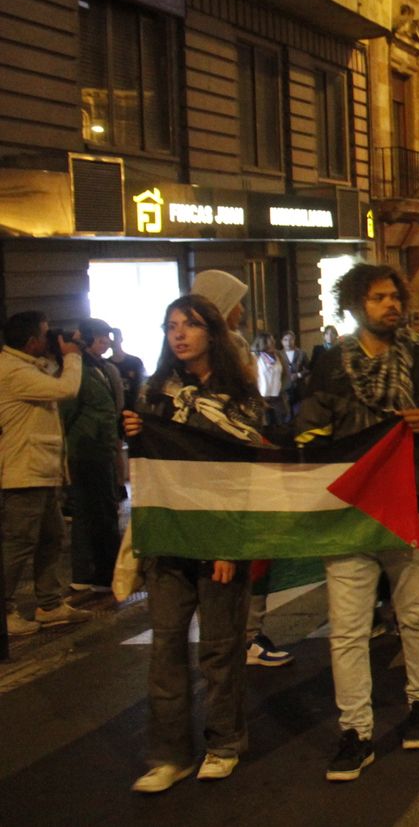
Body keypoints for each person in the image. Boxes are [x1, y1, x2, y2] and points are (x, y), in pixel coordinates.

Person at [292, 263, 419, 782]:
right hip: (350, 513)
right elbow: (308, 429)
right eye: (377, 298)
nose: (390, 305)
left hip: (413, 501)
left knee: (415, 614)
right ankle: (356, 732)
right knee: (347, 629)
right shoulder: (330, 364)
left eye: (394, 296)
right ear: (354, 306)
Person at [122, 295, 266, 792]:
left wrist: (228, 545)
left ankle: (224, 743)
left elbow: (244, 475)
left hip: (219, 539)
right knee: (165, 648)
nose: (179, 334)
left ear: (213, 333)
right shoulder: (154, 394)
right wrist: (136, 434)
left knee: (220, 650)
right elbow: (147, 470)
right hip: (168, 540)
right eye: (171, 326)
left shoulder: (240, 397)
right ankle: (169, 755)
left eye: (190, 325)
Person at [0, 312, 88, 636]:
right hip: (24, 471)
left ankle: (49, 604)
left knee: (52, 537)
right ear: (30, 341)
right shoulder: (13, 370)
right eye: (45, 333)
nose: (50, 338)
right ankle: (4, 611)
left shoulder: (29, 366)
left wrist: (58, 355)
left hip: (41, 470)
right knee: (18, 543)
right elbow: (66, 388)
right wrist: (73, 357)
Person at [63, 318, 121, 592]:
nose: (105, 341)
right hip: (85, 450)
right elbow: (67, 411)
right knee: (89, 512)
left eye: (107, 336)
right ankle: (89, 573)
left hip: (103, 448)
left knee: (105, 510)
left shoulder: (104, 368)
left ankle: (104, 571)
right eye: (99, 337)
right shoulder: (78, 371)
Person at [253, 334, 286, 425]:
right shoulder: (255, 357)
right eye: (270, 341)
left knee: (280, 424)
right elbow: (251, 377)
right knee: (264, 425)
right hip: (262, 398)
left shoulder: (278, 355)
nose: (273, 343)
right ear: (263, 343)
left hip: (277, 397)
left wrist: (282, 388)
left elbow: (285, 374)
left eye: (273, 341)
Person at [281, 330, 308, 413]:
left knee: (300, 412)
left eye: (290, 339)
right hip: (285, 390)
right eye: (285, 340)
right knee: (287, 413)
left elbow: (308, 369)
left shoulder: (301, 353)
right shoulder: (279, 354)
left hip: (299, 388)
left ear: (294, 340)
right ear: (282, 341)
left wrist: (298, 375)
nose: (288, 342)